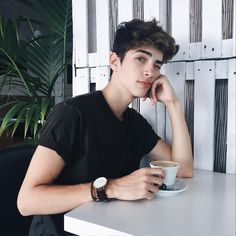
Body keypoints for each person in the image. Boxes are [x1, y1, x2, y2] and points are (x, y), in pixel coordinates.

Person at [17, 18, 193, 236]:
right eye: (141, 58)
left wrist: (173, 105)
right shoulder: (72, 114)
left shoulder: (134, 123)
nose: (151, 71)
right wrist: (112, 187)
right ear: (114, 61)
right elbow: (26, 201)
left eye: (157, 65)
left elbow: (182, 170)